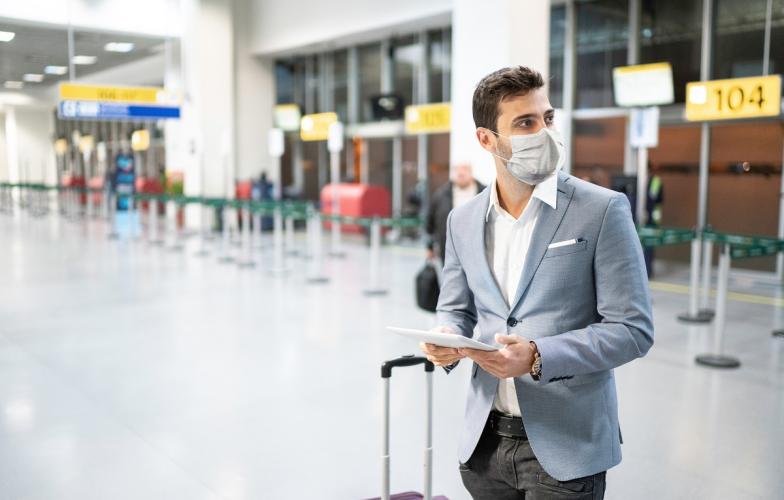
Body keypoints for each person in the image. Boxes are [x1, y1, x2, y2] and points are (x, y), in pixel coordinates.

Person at [419, 66, 653, 499]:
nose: (543, 131)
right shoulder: (463, 220)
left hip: (566, 447)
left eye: (547, 118)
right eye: (525, 123)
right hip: (484, 444)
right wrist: (446, 336)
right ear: (487, 140)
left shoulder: (601, 210)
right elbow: (456, 308)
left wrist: (538, 356)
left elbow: (633, 330)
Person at [425, 164, 485, 264]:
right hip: (449, 248)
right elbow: (430, 223)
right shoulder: (440, 195)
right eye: (457, 169)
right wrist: (429, 247)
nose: (461, 173)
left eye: (464, 169)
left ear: (471, 172)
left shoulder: (485, 193)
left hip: (479, 248)